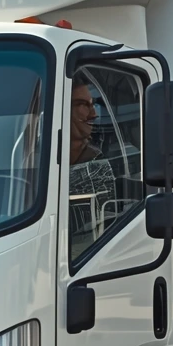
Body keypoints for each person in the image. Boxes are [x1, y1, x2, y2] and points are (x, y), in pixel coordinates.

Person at [67, 76, 116, 254]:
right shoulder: (32, 160)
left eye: (92, 104)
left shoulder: (98, 163)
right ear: (62, 108)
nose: (93, 114)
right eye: (83, 105)